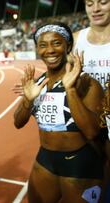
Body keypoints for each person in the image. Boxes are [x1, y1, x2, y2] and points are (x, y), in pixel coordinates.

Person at [13, 22, 105, 202]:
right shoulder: (38, 83)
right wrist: (27, 100)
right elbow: (18, 122)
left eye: (56, 43)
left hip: (80, 162)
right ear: (37, 49)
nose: (50, 50)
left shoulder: (86, 83)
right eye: (43, 45)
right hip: (46, 160)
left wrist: (70, 90)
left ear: (68, 46)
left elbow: (93, 132)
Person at [73, 0, 110, 200]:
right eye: (89, 4)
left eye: (103, 2)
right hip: (87, 125)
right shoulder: (76, 39)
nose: (95, 9)